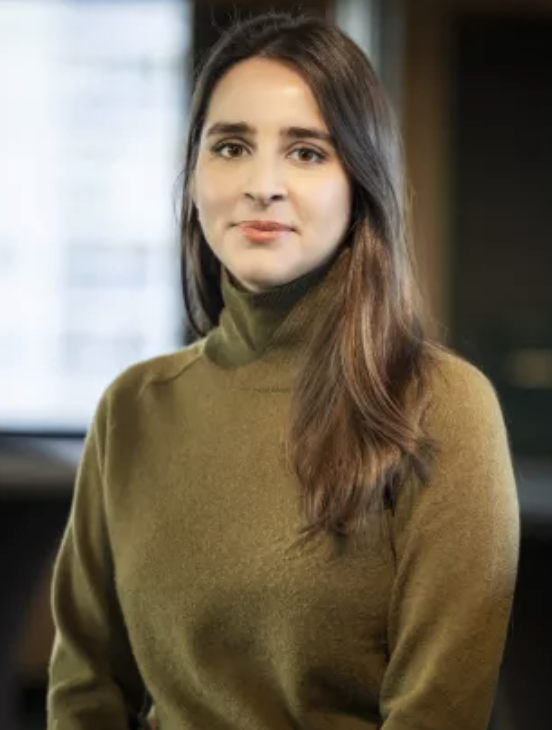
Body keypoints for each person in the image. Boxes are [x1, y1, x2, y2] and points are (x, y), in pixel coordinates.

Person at [47, 10, 520, 730]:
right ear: (194, 177)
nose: (261, 184)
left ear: (359, 180)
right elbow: (84, 690)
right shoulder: (133, 408)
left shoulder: (443, 406)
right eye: (231, 146)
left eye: (306, 152)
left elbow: (437, 714)